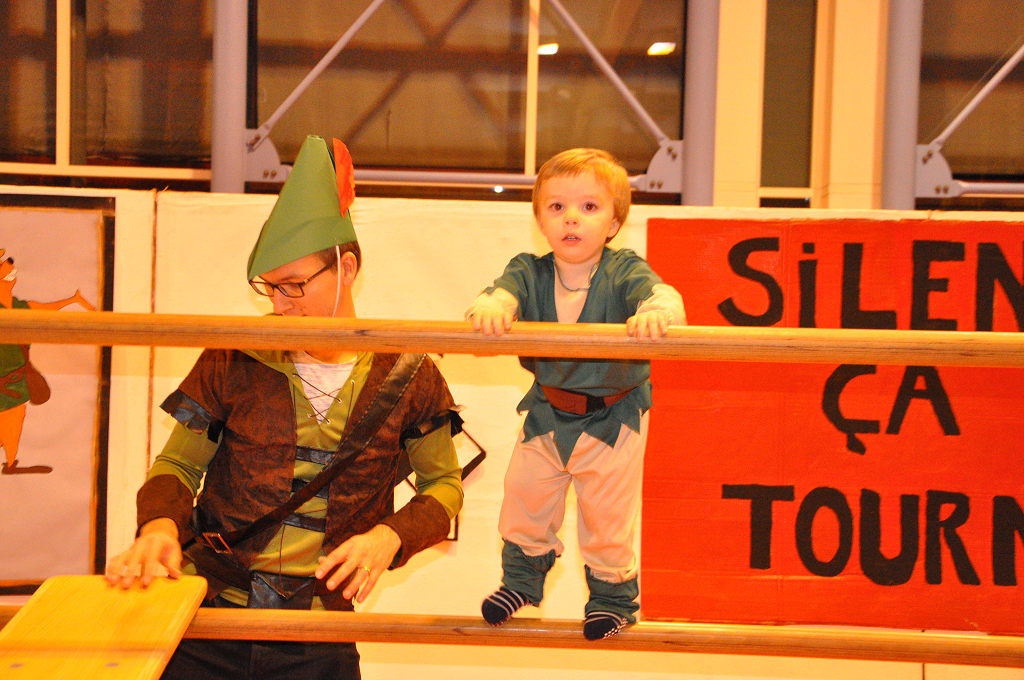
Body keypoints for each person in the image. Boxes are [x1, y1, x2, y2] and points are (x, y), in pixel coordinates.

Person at [106, 135, 463, 679]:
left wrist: (390, 535)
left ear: (347, 268)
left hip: (319, 636)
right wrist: (158, 527)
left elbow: (444, 486)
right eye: (269, 288)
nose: (278, 304)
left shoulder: (409, 373)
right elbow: (178, 464)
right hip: (208, 618)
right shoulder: (235, 355)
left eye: (294, 285)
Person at [465, 148, 685, 640]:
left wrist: (657, 313)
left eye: (589, 207)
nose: (571, 218)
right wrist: (493, 308)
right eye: (557, 207)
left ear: (613, 223)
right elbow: (497, 295)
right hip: (548, 410)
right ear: (540, 220)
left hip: (613, 416)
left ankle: (612, 601)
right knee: (523, 498)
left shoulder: (624, 270)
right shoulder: (529, 270)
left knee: (606, 519)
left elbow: (665, 297)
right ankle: (521, 582)